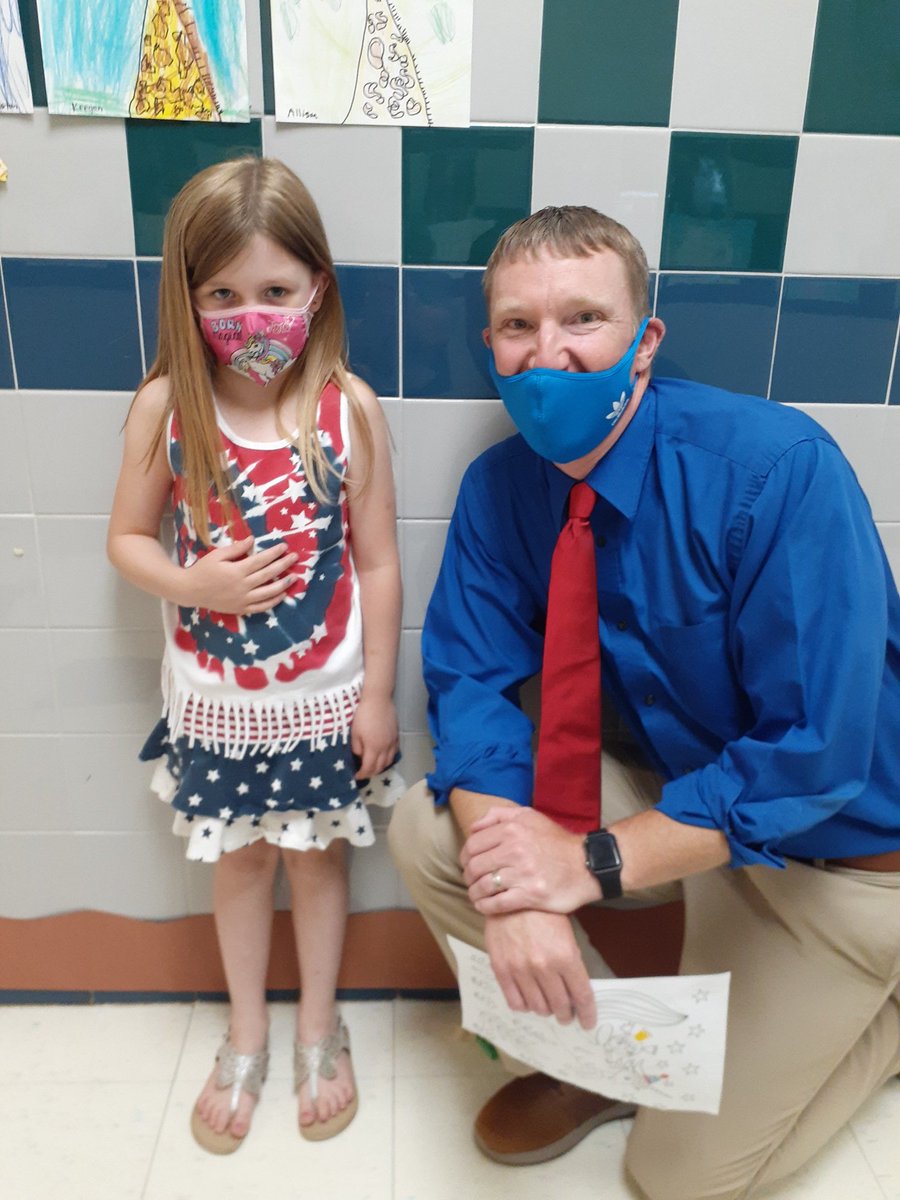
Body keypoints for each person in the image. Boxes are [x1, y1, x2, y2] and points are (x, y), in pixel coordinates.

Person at [388, 206, 900, 1199]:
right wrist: (515, 891)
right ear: (489, 344)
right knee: (431, 829)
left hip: (843, 862)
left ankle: (875, 1019)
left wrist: (586, 864)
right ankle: (603, 1062)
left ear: (644, 340)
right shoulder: (502, 490)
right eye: (517, 327)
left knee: (678, 1180)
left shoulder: (773, 470)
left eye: (583, 319)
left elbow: (815, 752)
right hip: (691, 810)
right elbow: (471, 685)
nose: (551, 355)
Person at [108, 157, 403, 1154]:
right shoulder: (167, 408)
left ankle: (320, 1024)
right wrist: (197, 585)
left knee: (316, 865)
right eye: (222, 296)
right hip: (218, 703)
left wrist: (380, 698)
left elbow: (379, 561)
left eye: (274, 292)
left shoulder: (348, 410)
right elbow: (128, 542)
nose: (249, 316)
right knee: (237, 869)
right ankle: (246, 1032)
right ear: (187, 300)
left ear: (317, 288)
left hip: (325, 704)